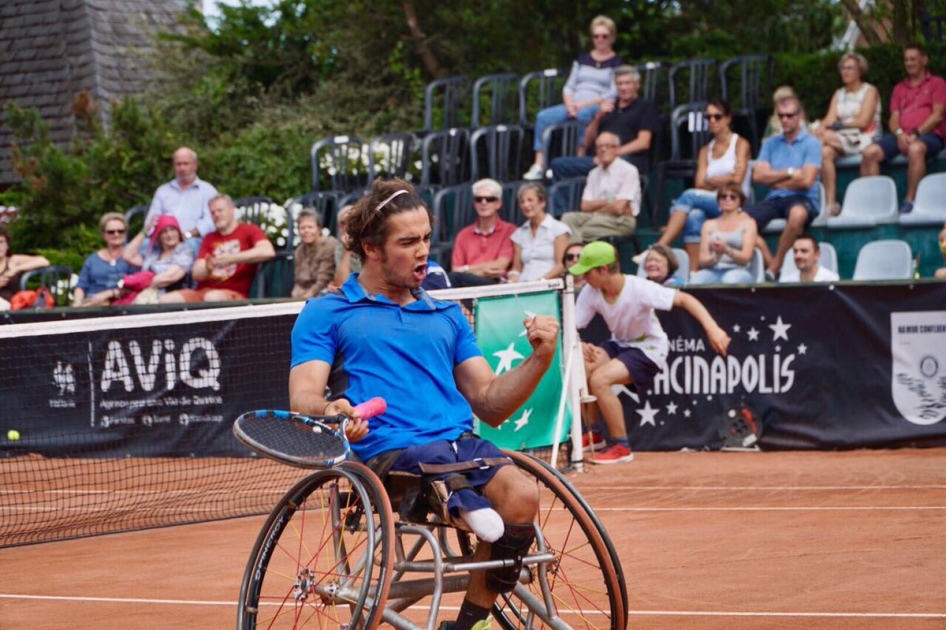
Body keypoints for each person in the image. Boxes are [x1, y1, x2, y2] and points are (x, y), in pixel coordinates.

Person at [288, 177, 560, 630]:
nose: (423, 252)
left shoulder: (446, 314)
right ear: (371, 248)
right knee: (457, 484)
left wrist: (541, 358)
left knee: (523, 493)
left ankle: (469, 622)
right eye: (408, 241)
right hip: (388, 456)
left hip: (458, 446)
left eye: (427, 239)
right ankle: (465, 504)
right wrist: (331, 410)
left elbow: (491, 403)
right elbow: (303, 396)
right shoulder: (326, 312)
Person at [568, 241, 730, 464]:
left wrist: (713, 328)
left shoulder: (639, 287)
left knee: (600, 380)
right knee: (581, 368)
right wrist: (579, 342)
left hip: (650, 349)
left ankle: (621, 446)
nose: (584, 277)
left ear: (604, 270)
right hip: (620, 344)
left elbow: (684, 299)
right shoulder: (591, 290)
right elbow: (572, 327)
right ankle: (593, 434)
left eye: (588, 272)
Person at [651, 99, 752, 269]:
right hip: (712, 201)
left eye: (717, 116)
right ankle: (694, 271)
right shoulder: (705, 150)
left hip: (735, 202)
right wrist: (725, 178)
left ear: (728, 118)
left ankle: (660, 247)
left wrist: (711, 180)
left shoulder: (740, 144)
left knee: (689, 196)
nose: (712, 121)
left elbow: (737, 181)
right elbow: (699, 182)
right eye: (708, 117)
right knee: (694, 215)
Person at [523, 16, 623, 180]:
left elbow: (612, 92)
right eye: (596, 36)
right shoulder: (582, 60)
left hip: (595, 105)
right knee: (543, 117)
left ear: (612, 37)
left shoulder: (616, 62)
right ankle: (539, 164)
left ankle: (577, 159)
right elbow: (569, 86)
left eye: (604, 36)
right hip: (573, 104)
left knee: (583, 115)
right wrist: (570, 105)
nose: (600, 40)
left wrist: (583, 105)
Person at [860, 43, 946, 215]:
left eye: (913, 59)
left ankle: (910, 200)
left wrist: (916, 133)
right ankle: (875, 205)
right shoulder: (899, 88)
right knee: (869, 152)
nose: (909, 63)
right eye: (906, 59)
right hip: (902, 134)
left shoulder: (937, 83)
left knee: (915, 149)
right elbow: (893, 118)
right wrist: (899, 134)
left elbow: (937, 115)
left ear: (925, 60)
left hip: (931, 135)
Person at [747, 94, 822, 281]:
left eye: (789, 115)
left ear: (799, 116)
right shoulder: (770, 143)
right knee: (741, 220)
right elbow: (757, 176)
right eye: (781, 116)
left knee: (797, 215)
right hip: (775, 198)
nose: (785, 120)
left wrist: (773, 179)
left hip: (802, 198)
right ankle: (768, 257)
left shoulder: (812, 143)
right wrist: (789, 173)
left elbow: (806, 181)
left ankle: (774, 267)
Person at [550, 65, 660, 182]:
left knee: (617, 164)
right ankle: (571, 201)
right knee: (559, 165)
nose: (623, 87)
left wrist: (613, 153)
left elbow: (643, 143)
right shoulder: (608, 108)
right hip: (600, 158)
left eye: (627, 83)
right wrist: (598, 117)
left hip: (628, 159)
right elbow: (587, 142)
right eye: (619, 84)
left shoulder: (645, 107)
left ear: (637, 85)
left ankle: (611, 200)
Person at [161, 194, 275, 303]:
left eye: (220, 210)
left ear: (232, 209)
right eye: (212, 213)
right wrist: (208, 267)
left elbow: (267, 251)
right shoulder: (209, 238)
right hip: (203, 292)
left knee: (212, 297)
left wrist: (232, 259)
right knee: (167, 300)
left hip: (233, 294)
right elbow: (196, 274)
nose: (216, 215)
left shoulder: (249, 230)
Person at [813, 53, 882, 217]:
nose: (845, 72)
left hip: (864, 136)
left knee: (825, 138)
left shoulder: (870, 91)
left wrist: (836, 126)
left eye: (850, 68)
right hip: (842, 138)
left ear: (860, 71)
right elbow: (829, 119)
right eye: (843, 68)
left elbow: (863, 122)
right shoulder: (839, 93)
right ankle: (831, 204)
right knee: (825, 152)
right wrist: (819, 128)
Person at [560, 131, 640, 243]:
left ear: (617, 149)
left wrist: (597, 207)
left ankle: (574, 259)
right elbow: (584, 206)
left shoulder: (629, 170)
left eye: (608, 146)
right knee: (567, 218)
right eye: (599, 147)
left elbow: (619, 208)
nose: (603, 150)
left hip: (620, 221)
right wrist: (610, 201)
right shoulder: (593, 173)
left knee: (576, 232)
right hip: (594, 217)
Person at [144, 147, 219, 253]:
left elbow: (210, 221)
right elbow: (151, 221)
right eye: (178, 164)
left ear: (195, 166)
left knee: (189, 245)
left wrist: (188, 235)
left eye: (186, 164)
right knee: (142, 246)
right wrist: (161, 237)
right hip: (164, 240)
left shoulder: (207, 191)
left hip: (192, 239)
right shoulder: (163, 191)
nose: (182, 168)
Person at [449, 179, 517, 287]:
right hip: (467, 285)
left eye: (489, 199)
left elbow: (500, 265)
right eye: (478, 199)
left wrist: (467, 269)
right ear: (474, 203)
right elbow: (455, 269)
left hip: (497, 285)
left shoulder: (509, 230)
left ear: (498, 203)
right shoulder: (463, 234)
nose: (483, 202)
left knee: (455, 278)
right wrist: (482, 271)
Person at [689, 185, 758, 285]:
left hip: (739, 270)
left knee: (729, 280)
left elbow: (745, 258)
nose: (728, 199)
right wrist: (716, 257)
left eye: (733, 197)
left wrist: (727, 250)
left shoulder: (749, 223)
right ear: (719, 202)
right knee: (695, 281)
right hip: (714, 269)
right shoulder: (708, 224)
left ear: (740, 202)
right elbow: (703, 261)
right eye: (723, 196)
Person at [72, 212, 138, 307]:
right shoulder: (92, 259)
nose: (116, 234)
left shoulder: (134, 259)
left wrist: (109, 293)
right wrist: (77, 304)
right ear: (103, 234)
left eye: (121, 231)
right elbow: (81, 286)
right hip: (92, 304)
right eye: (111, 232)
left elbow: (137, 286)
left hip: (123, 305)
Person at [509, 182, 571, 282]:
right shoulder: (519, 234)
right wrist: (511, 281)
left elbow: (561, 265)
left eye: (530, 200)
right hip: (522, 286)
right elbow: (517, 268)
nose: (526, 205)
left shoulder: (558, 229)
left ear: (542, 203)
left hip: (548, 285)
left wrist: (540, 282)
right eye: (522, 202)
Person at [122, 214, 195, 298]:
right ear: (158, 236)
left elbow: (170, 277)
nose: (169, 235)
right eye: (164, 231)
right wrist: (145, 230)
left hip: (172, 300)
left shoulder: (185, 251)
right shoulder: (153, 254)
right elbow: (128, 256)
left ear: (178, 232)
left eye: (172, 230)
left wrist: (139, 283)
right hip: (147, 296)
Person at [0, 224, 50, 307]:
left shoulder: (13, 261)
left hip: (14, 306)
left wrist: (16, 269)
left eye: (1, 242)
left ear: (7, 245)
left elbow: (44, 261)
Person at [291, 209, 337, 299]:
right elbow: (298, 281)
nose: (306, 231)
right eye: (302, 228)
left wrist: (309, 294)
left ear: (319, 229)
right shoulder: (299, 251)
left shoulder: (329, 245)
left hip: (326, 293)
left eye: (310, 227)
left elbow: (324, 279)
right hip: (302, 293)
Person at [331, 205, 360, 289]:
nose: (347, 226)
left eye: (351, 221)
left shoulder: (372, 244)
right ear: (338, 227)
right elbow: (341, 284)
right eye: (343, 223)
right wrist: (347, 250)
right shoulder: (340, 247)